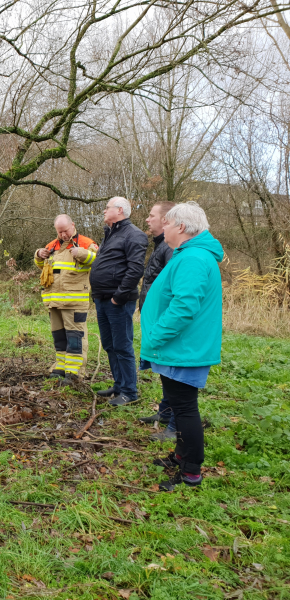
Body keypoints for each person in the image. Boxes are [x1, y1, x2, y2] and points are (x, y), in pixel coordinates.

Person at [140, 202, 223, 491]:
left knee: (185, 409)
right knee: (178, 405)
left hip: (183, 348)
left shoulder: (193, 258)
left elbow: (185, 306)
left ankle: (191, 472)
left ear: (182, 228)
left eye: (168, 223)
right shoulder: (189, 254)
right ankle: (181, 456)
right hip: (180, 347)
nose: (163, 227)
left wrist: (156, 336)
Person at [89, 197, 148, 405]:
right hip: (102, 298)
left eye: (107, 208)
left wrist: (118, 297)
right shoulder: (110, 234)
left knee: (122, 345)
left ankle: (129, 392)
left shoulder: (134, 235)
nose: (104, 211)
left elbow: (135, 270)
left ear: (120, 210)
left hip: (117, 301)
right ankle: (119, 384)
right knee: (109, 344)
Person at [34, 215, 98, 386]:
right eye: (59, 231)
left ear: (73, 225)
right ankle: (61, 367)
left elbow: (99, 261)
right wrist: (39, 255)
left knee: (75, 337)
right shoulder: (52, 246)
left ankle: (75, 373)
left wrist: (83, 253)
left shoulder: (85, 243)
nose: (63, 234)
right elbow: (44, 267)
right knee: (59, 337)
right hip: (54, 301)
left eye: (66, 231)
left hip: (74, 301)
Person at [137, 201, 177, 440]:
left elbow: (171, 289)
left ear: (165, 220)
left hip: (164, 320)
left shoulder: (171, 249)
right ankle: (165, 412)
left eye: (152, 216)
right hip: (154, 316)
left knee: (172, 371)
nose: (147, 220)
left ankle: (174, 424)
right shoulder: (161, 245)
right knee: (164, 370)